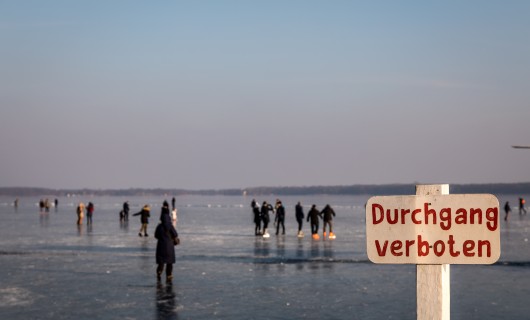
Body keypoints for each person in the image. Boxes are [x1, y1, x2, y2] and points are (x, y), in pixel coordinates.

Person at [155, 201, 179, 282]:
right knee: (169, 262)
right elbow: (175, 234)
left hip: (161, 246)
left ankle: (159, 272)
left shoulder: (159, 226)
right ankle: (169, 275)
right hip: (169, 246)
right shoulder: (170, 226)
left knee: (161, 262)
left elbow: (156, 235)